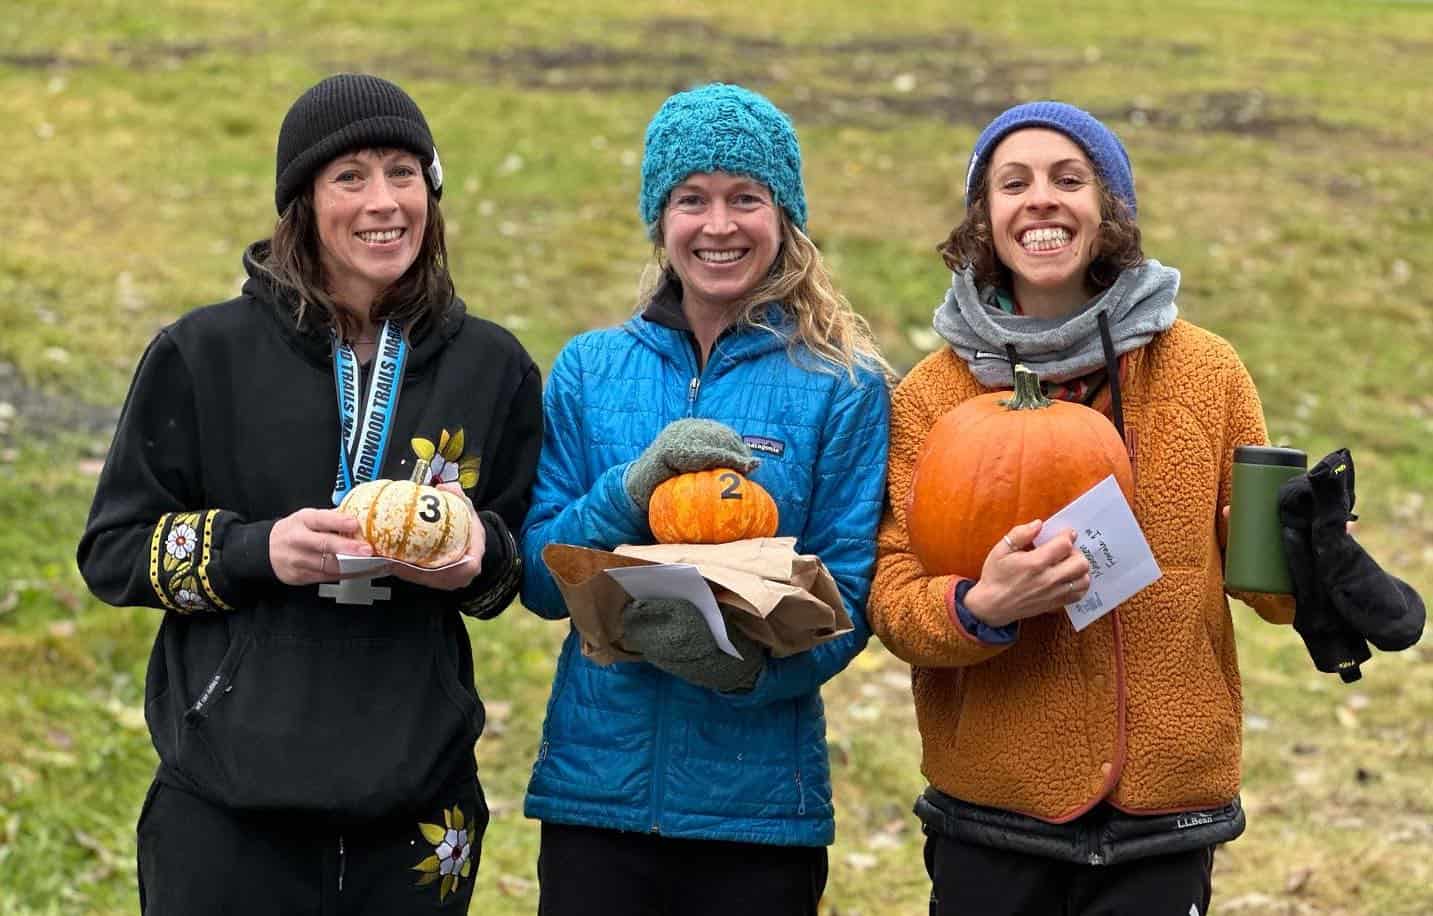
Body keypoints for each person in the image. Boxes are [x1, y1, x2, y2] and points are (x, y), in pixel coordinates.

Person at [77, 73, 542, 913]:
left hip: (417, 813)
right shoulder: (201, 354)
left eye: (404, 172)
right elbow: (113, 552)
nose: (384, 202)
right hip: (227, 809)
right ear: (301, 200)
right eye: (350, 177)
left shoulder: (491, 366)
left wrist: (477, 559)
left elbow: (513, 565)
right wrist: (257, 551)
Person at [867, 101, 1295, 916]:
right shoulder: (932, 395)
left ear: (1108, 213)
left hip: (1163, 810)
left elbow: (1265, 580)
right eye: (1012, 183)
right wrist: (978, 605)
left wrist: (1308, 559)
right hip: (994, 809)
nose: (1041, 200)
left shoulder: (1203, 371)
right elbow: (891, 597)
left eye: (1069, 180)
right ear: (982, 218)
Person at [518, 83, 891, 915]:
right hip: (594, 797)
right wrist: (629, 487)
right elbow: (541, 582)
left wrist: (738, 675)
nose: (718, 226)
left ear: (783, 216)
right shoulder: (588, 369)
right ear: (661, 219)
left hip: (759, 813)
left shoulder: (843, 386)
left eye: (744, 199)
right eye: (692, 199)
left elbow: (854, 600)